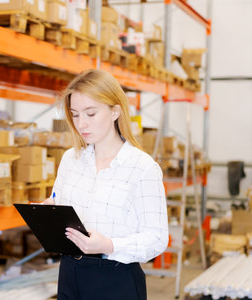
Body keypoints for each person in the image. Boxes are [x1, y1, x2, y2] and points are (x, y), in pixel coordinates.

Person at [45, 69, 168, 299]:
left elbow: (157, 238)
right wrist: (48, 212)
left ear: (115, 112)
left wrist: (109, 245)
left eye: (90, 114)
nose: (81, 124)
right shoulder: (71, 159)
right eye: (75, 114)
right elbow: (57, 202)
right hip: (69, 271)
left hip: (115, 278)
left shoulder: (142, 168)